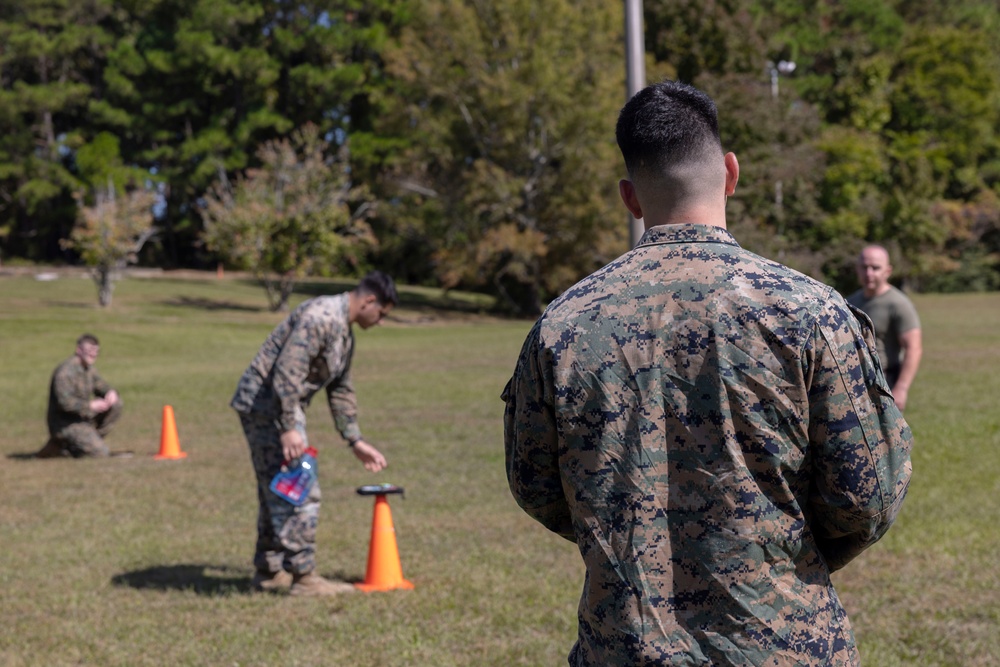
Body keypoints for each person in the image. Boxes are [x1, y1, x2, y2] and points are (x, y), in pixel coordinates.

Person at [502, 81, 913, 666]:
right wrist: (775, 557)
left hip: (625, 646)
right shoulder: (810, 312)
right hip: (782, 645)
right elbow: (867, 495)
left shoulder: (562, 326)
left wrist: (629, 539)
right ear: (731, 173)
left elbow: (536, 485)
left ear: (630, 198)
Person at [232, 271, 397, 596]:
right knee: (298, 489)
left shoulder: (343, 332)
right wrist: (290, 427)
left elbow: (341, 388)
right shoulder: (320, 317)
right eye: (381, 314)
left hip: (276, 409)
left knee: (276, 488)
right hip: (269, 408)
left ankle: (268, 570)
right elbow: (287, 372)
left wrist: (355, 439)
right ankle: (304, 576)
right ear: (369, 301)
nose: (380, 322)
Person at [847, 245, 922, 411]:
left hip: (883, 381)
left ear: (887, 271)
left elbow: (913, 348)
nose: (869, 274)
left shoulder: (898, 304)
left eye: (875, 268)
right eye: (864, 267)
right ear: (857, 269)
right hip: (853, 380)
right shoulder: (849, 302)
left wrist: (901, 388)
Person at [38, 333, 123, 458]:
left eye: (96, 351)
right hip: (64, 423)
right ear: (78, 350)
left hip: (82, 419)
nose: (93, 354)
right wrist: (90, 405)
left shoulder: (89, 370)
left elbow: (102, 386)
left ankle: (88, 442)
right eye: (89, 351)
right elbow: (64, 403)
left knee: (116, 404)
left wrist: (110, 392)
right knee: (101, 453)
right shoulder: (65, 372)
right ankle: (62, 445)